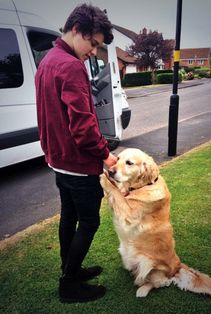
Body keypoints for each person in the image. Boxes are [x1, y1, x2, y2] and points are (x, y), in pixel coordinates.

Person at [35, 3, 117, 303]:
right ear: (75, 30)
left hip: (58, 160)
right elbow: (82, 125)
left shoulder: (47, 60)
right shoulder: (70, 66)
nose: (93, 52)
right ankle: (69, 284)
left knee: (69, 216)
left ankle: (71, 268)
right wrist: (106, 155)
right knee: (89, 221)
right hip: (78, 163)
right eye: (92, 43)